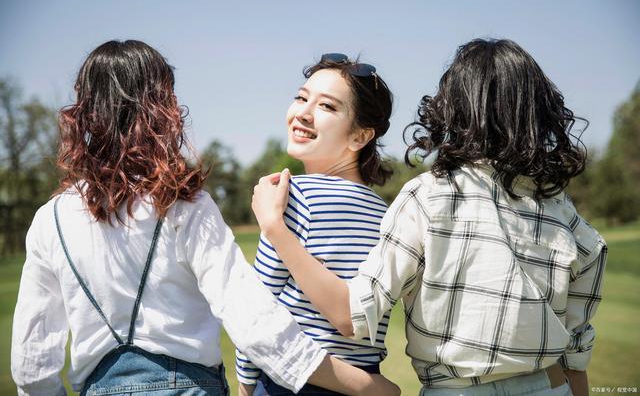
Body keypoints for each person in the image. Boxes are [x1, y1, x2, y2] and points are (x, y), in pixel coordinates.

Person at [10, 40, 400, 396]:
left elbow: (32, 365)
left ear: (84, 112)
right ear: (161, 110)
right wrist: (367, 385)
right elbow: (250, 315)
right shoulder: (182, 202)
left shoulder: (51, 219)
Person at [251, 39, 607, 396]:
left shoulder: (428, 197)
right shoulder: (565, 214)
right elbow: (575, 355)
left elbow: (353, 315)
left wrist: (274, 227)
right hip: (551, 385)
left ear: (454, 108)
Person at [236, 54, 396, 396]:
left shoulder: (290, 197)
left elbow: (257, 306)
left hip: (290, 382)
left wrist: (245, 383)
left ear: (359, 136)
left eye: (327, 106)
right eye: (301, 97)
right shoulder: (387, 214)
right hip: (363, 377)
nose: (303, 113)